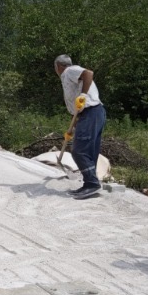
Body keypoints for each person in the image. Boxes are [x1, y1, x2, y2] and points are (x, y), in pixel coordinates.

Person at [53, 54, 105, 200]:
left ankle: (92, 184)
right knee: (89, 151)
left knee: (79, 151)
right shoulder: (68, 77)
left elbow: (89, 73)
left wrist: (83, 94)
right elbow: (76, 106)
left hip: (91, 112)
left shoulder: (69, 71)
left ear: (58, 66)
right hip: (89, 114)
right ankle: (90, 183)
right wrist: (73, 127)